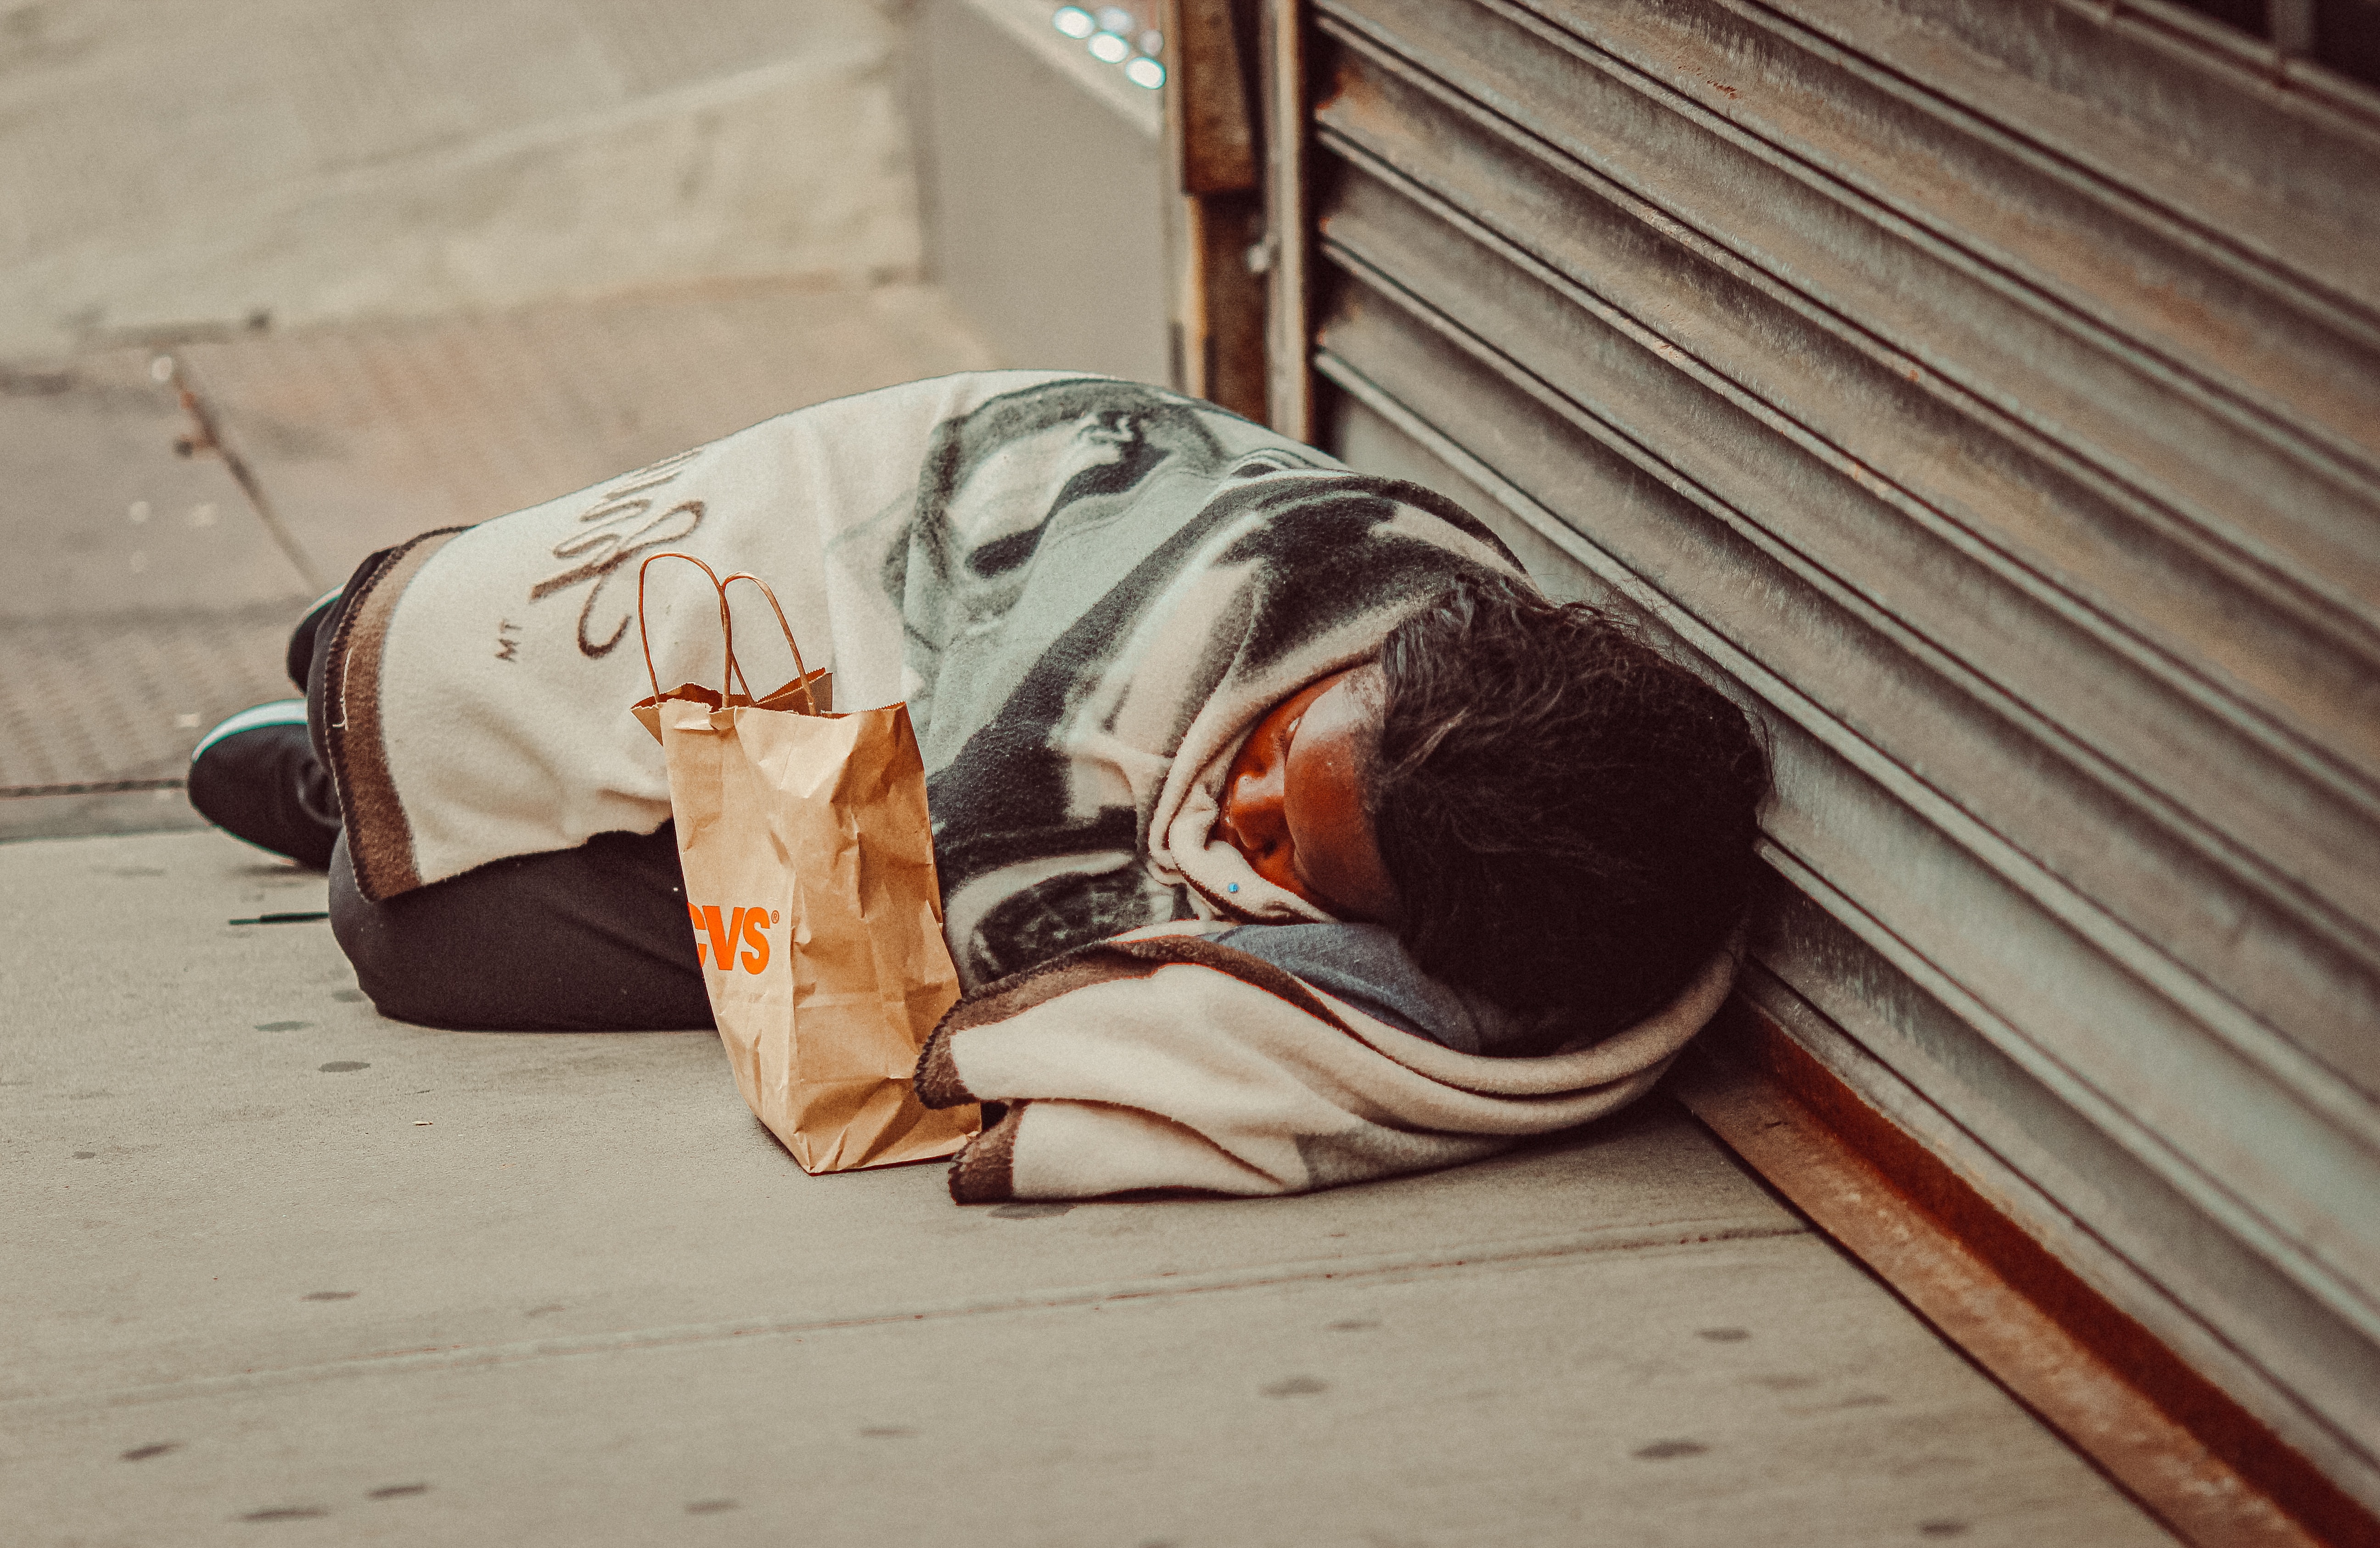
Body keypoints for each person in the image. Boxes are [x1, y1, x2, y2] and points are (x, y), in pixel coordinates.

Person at [191, 372, 1768, 1059]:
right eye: (1285, 757)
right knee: (371, 649)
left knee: (403, 942)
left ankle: (377, 794)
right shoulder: (1384, 574)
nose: (1241, 817)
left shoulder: (1482, 890)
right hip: (891, 563)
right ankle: (377, 766)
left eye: (1297, 868)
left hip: (862, 788)